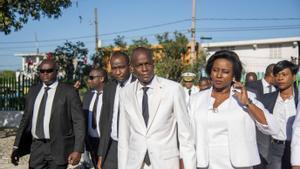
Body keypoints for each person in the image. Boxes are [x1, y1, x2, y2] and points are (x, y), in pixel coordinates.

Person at [189, 50, 279, 169]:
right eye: (215, 70)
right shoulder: (196, 100)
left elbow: (273, 127)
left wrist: (248, 103)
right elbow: (187, 134)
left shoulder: (247, 97)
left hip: (239, 165)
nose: (219, 75)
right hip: (203, 164)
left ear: (234, 75)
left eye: (225, 72)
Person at [118, 47, 196, 169]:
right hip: (135, 164)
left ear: (153, 64)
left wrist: (189, 166)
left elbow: (185, 135)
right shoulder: (126, 93)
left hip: (165, 163)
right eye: (139, 65)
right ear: (132, 68)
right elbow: (123, 137)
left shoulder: (173, 89)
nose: (144, 69)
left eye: (147, 64)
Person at [11, 59, 85, 169]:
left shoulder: (68, 92)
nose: (45, 73)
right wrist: (16, 145)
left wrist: (77, 150)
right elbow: (25, 119)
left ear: (56, 71)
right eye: (42, 71)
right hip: (37, 147)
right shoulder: (33, 91)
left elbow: (79, 122)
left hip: (59, 147)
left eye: (49, 70)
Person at [97, 51, 136, 169]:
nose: (118, 72)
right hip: (112, 145)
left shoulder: (139, 85)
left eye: (121, 67)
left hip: (133, 146)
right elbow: (105, 122)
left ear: (129, 67)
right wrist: (101, 154)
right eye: (114, 68)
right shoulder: (109, 88)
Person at [257, 60, 298, 169]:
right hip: (274, 148)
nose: (280, 78)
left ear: (293, 77)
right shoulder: (266, 99)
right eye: (277, 75)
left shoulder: (298, 100)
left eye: (284, 74)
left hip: (296, 148)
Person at [82, 68, 107, 168]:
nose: (89, 80)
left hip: (106, 141)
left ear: (101, 78)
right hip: (92, 141)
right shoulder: (88, 95)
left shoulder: (111, 95)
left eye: (92, 78)